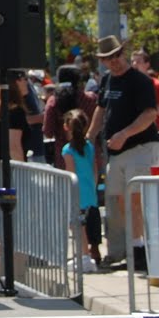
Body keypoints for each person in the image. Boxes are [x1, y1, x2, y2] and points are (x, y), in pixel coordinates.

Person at [86, 36, 159, 273]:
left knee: (136, 200)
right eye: (108, 58)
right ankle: (129, 249)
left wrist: (125, 134)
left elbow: (150, 114)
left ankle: (141, 253)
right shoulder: (107, 80)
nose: (114, 62)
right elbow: (101, 108)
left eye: (116, 56)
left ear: (123, 54)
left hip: (140, 147)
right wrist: (89, 137)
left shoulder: (140, 81)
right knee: (119, 201)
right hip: (116, 152)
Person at [60, 109, 101, 272]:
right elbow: (95, 169)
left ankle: (84, 257)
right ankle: (85, 256)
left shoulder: (67, 150)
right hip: (89, 191)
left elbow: (71, 173)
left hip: (76, 192)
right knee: (81, 223)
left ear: (66, 127)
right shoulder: (89, 146)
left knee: (77, 225)